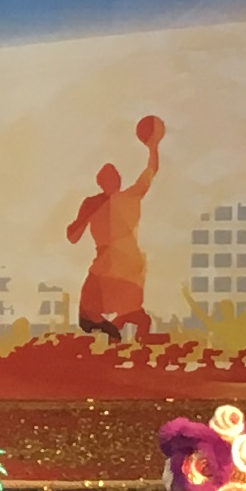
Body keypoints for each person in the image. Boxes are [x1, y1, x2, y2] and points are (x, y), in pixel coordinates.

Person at [68, 115, 167, 343]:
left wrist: (153, 146)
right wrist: (153, 146)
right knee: (119, 313)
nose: (112, 180)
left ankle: (120, 335)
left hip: (113, 266)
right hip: (121, 266)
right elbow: (73, 235)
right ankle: (123, 333)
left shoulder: (116, 200)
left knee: (91, 315)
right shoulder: (106, 201)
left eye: (113, 177)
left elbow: (72, 236)